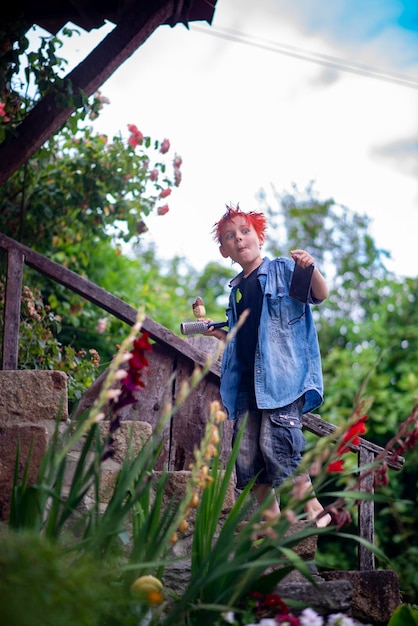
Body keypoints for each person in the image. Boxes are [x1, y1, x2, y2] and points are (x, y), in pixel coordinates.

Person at [204, 203, 331, 528]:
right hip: (246, 383)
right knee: (246, 455)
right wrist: (220, 333)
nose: (239, 239)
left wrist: (310, 267)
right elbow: (241, 335)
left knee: (277, 444)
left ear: (259, 236)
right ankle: (272, 519)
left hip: (282, 378)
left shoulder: (282, 270)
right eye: (230, 236)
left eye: (245, 231)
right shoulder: (235, 292)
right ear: (224, 250)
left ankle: (315, 508)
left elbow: (320, 294)